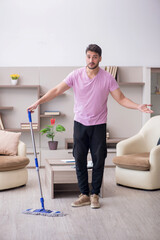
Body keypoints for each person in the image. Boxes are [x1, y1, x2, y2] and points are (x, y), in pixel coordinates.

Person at [27, 44, 153, 209]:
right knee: (79, 159)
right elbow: (57, 90)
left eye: (94, 57)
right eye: (88, 56)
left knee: (98, 160)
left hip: (99, 125)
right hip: (80, 124)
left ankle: (95, 195)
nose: (91, 60)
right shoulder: (76, 75)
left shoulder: (107, 78)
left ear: (100, 58)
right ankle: (84, 194)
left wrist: (138, 106)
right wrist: (38, 101)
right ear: (85, 57)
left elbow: (121, 98)